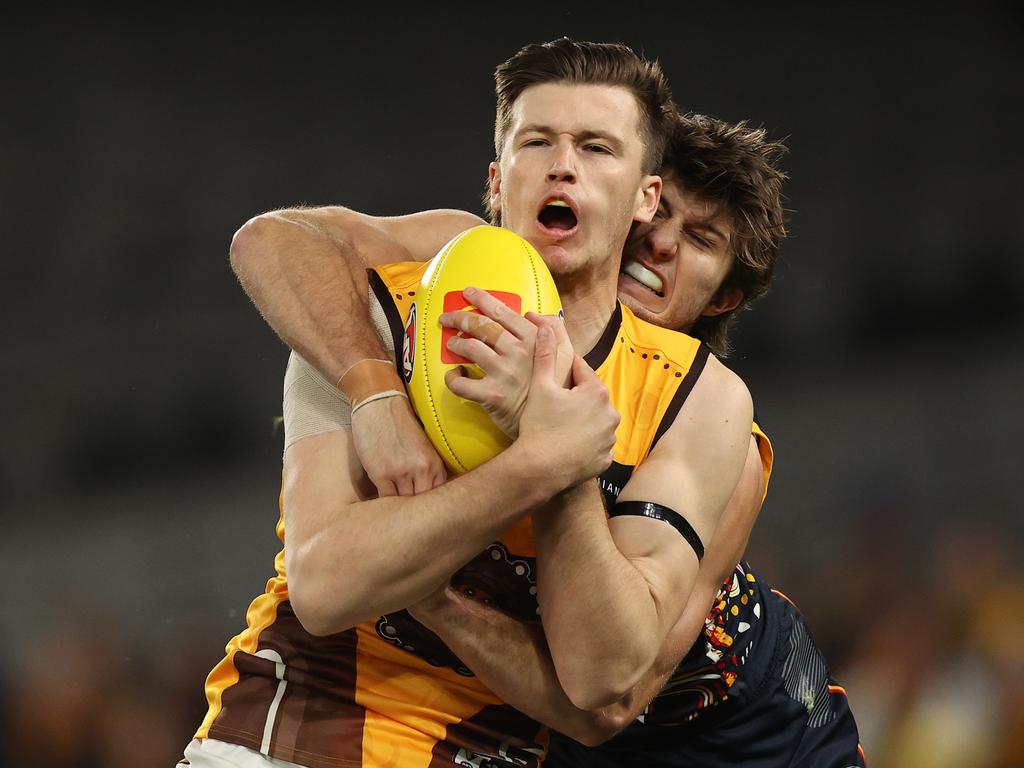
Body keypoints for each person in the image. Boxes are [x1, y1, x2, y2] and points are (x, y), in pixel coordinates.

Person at [228, 105, 866, 767]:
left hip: (746, 736)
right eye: (657, 212)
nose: (661, 241)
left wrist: (430, 595)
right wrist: (373, 393)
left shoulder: (720, 433)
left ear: (723, 299)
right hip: (550, 739)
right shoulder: (480, 268)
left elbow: (608, 705)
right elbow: (281, 244)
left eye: (701, 239)